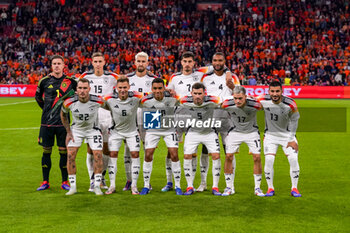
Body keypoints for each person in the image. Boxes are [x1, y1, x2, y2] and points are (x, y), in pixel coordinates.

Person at [35, 55, 77, 191]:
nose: (57, 66)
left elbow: (77, 97)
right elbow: (38, 97)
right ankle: (45, 181)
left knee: (63, 152)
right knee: (46, 152)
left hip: (63, 124)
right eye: (54, 63)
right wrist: (48, 110)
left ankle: (64, 181)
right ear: (51, 65)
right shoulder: (44, 81)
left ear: (64, 65)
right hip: (46, 123)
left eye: (59, 63)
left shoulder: (71, 82)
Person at [78, 52, 119, 192]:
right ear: (92, 62)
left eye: (100, 61)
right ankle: (92, 179)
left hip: (107, 116)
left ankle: (101, 176)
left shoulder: (112, 77)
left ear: (104, 62)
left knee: (106, 148)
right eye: (95, 61)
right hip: (91, 116)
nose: (97, 64)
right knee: (91, 148)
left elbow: (125, 83)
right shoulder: (85, 76)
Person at [199, 52, 239, 192]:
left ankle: (230, 185)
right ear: (212, 61)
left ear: (224, 61)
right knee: (205, 152)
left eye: (220, 60)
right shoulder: (205, 77)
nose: (217, 62)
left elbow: (239, 95)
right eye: (215, 60)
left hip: (228, 120)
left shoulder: (233, 77)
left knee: (229, 152)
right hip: (209, 119)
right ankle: (203, 183)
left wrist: (233, 87)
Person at [60, 78, 105, 195]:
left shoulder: (98, 101)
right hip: (77, 130)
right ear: (76, 89)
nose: (82, 91)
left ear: (89, 89)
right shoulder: (69, 102)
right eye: (80, 88)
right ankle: (73, 187)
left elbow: (111, 108)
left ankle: (97, 186)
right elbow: (63, 114)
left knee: (98, 155)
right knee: (70, 156)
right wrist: (68, 131)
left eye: (85, 88)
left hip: (93, 130)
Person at [139, 78, 182, 195]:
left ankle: (177, 185)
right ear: (151, 89)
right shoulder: (145, 100)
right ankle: (146, 185)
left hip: (169, 129)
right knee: (148, 154)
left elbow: (183, 102)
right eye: (155, 88)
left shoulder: (172, 99)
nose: (157, 91)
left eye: (160, 88)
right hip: (153, 128)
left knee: (174, 154)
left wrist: (176, 94)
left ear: (164, 88)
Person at [259, 81, 301, 197]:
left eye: (277, 91)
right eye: (272, 91)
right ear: (268, 92)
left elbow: (295, 121)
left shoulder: (290, 103)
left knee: (293, 159)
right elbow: (248, 102)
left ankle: (294, 188)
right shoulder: (262, 99)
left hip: (287, 136)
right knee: (269, 160)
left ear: (282, 91)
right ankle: (270, 188)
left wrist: (292, 139)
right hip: (270, 136)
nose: (275, 94)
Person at [221, 86, 265, 196]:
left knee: (257, 157)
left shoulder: (254, 104)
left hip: (252, 132)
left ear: (245, 97)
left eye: (240, 98)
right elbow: (218, 106)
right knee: (228, 156)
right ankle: (229, 187)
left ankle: (257, 188)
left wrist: (255, 98)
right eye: (235, 98)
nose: (238, 101)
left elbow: (264, 107)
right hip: (235, 132)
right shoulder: (227, 104)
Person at [179, 82, 222, 196]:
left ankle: (215, 187)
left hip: (209, 132)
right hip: (193, 132)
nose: (197, 96)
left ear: (204, 94)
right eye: (195, 93)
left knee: (216, 156)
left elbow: (223, 102)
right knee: (187, 156)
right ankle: (189, 186)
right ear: (191, 93)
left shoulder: (212, 101)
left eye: (200, 94)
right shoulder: (185, 101)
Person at [122, 52, 157, 191]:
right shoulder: (127, 79)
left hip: (150, 115)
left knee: (148, 149)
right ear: (135, 62)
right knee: (128, 148)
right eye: (139, 61)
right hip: (130, 116)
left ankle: (147, 182)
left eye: (144, 61)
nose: (141, 64)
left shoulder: (154, 79)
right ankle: (129, 180)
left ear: (147, 63)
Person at [104, 77, 143, 195]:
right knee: (113, 155)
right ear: (116, 88)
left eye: (125, 87)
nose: (122, 90)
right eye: (120, 88)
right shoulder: (109, 99)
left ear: (129, 87)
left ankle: (134, 186)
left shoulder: (136, 98)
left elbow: (150, 98)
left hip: (132, 132)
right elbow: (96, 103)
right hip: (116, 132)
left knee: (135, 154)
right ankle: (112, 185)